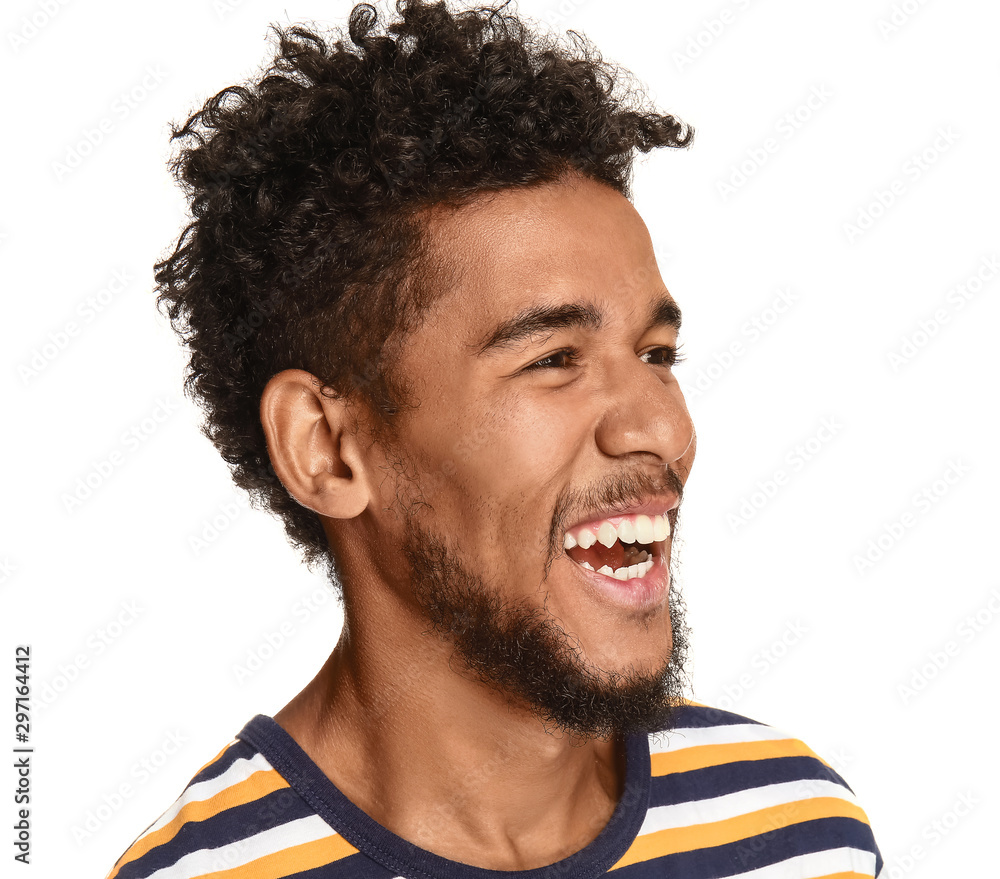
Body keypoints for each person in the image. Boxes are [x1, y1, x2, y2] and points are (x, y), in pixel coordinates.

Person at [108, 1, 883, 876]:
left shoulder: (798, 827)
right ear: (324, 447)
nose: (664, 427)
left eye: (656, 353)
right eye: (554, 357)